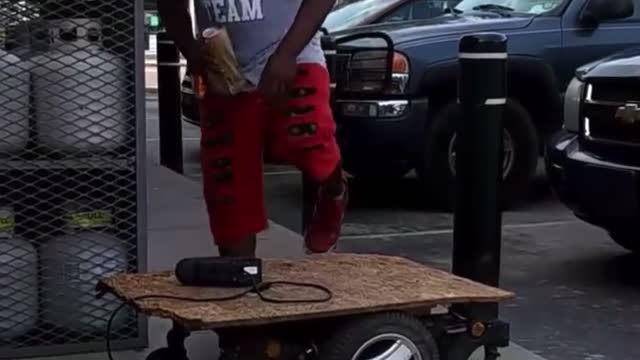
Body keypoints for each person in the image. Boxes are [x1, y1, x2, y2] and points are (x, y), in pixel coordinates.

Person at [156, 0, 347, 258]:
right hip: (225, 68)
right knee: (228, 182)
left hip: (293, 54)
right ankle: (240, 274)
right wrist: (190, 50)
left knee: (307, 141)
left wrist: (287, 53)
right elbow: (170, 6)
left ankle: (335, 190)